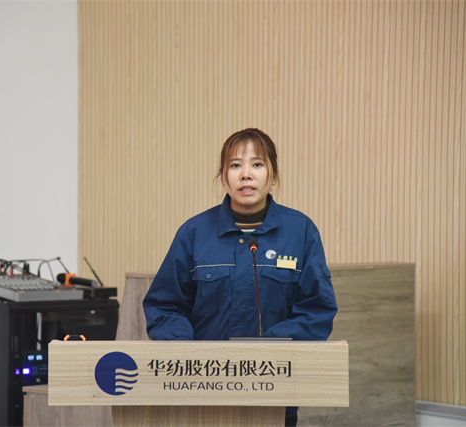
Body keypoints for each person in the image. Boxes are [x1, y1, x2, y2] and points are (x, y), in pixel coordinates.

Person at [142, 128, 338, 426]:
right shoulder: (194, 233)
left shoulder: (301, 232)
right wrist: (189, 354)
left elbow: (317, 310)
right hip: (203, 395)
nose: (246, 174)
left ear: (273, 175)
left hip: (275, 393)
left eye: (257, 164)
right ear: (223, 178)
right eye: (235, 165)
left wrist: (268, 351)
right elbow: (164, 306)